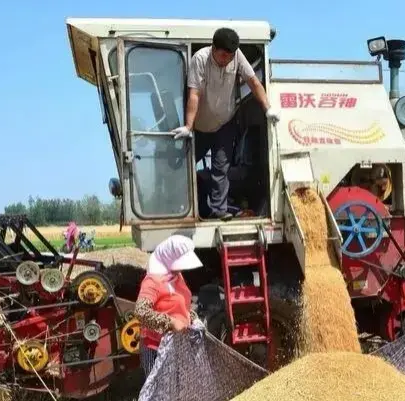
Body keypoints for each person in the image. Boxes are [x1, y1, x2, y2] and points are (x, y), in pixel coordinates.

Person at [172, 27, 280, 221]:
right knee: (184, 165)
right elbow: (194, 94)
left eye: (230, 57)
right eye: (223, 56)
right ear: (213, 48)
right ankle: (176, 205)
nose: (227, 60)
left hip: (225, 123)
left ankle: (219, 209)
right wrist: (188, 127)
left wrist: (267, 108)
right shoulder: (200, 59)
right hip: (200, 127)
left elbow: (254, 82)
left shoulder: (236, 56)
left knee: (220, 167)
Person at [134, 235, 205, 378]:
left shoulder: (177, 276)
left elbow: (180, 305)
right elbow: (141, 312)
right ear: (168, 257)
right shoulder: (153, 281)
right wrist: (171, 322)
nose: (181, 269)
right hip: (156, 349)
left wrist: (193, 318)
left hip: (179, 346)